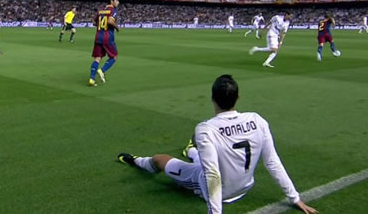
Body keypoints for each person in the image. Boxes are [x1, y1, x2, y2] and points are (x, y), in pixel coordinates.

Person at [118, 75, 318, 214]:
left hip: (217, 190)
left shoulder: (205, 128)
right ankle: (192, 151)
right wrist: (295, 198)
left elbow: (212, 173)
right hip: (245, 186)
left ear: (213, 99)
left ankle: (136, 161)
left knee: (160, 159)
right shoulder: (258, 120)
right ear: (238, 98)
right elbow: (273, 162)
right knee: (203, 156)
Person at [88, 0, 120, 86]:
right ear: (111, 1)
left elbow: (94, 23)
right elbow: (110, 21)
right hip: (107, 37)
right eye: (116, 0)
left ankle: (92, 79)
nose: (118, 2)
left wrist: (100, 26)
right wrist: (117, 27)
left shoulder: (101, 11)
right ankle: (102, 70)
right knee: (114, 57)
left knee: (97, 58)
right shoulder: (113, 10)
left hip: (98, 36)